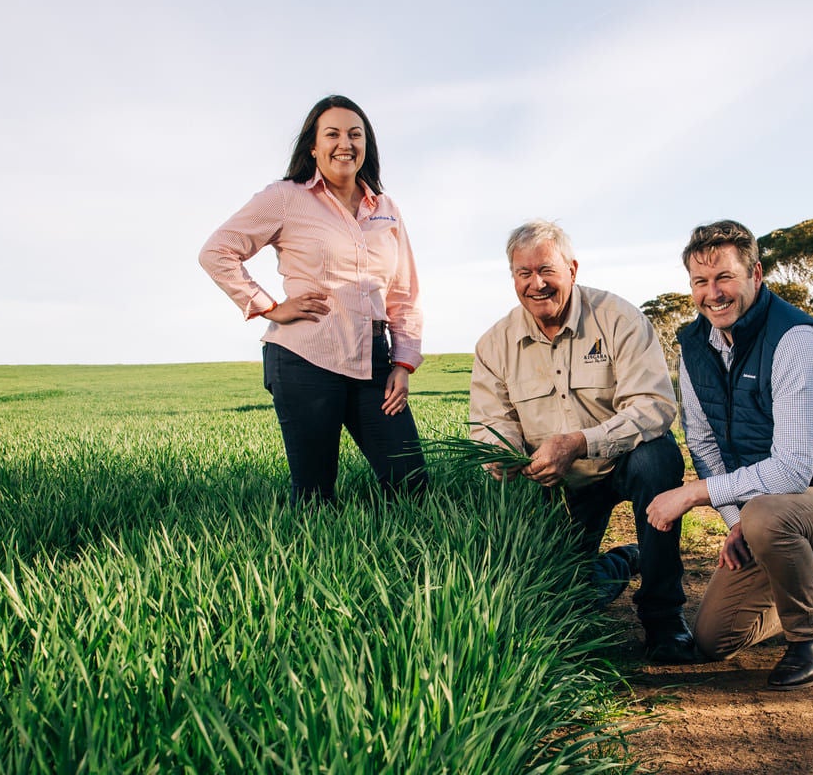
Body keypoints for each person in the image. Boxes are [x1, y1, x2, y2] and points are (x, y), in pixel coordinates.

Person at [646, 219, 813, 689]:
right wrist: (734, 522)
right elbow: (703, 444)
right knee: (713, 638)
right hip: (771, 512)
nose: (712, 294)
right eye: (700, 282)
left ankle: (810, 642)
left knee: (767, 517)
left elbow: (793, 469)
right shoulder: (694, 347)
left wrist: (695, 495)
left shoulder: (795, 339)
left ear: (756, 275)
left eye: (725, 278)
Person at [469, 220, 694, 663]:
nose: (536, 284)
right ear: (512, 277)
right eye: (523, 273)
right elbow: (491, 421)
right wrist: (503, 452)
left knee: (658, 459)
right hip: (556, 485)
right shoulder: (493, 344)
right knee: (560, 600)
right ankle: (618, 563)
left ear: (571, 268)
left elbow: (653, 405)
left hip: (622, 460)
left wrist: (579, 441)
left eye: (546, 270)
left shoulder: (618, 318)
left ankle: (664, 617)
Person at [199, 95, 426, 504]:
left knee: (411, 483)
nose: (346, 143)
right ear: (313, 147)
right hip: (305, 358)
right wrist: (269, 306)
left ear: (366, 145)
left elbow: (403, 291)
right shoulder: (286, 197)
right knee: (315, 495)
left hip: (374, 361)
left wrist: (403, 362)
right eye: (333, 134)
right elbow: (218, 250)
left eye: (355, 134)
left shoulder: (386, 208)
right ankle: (319, 563)